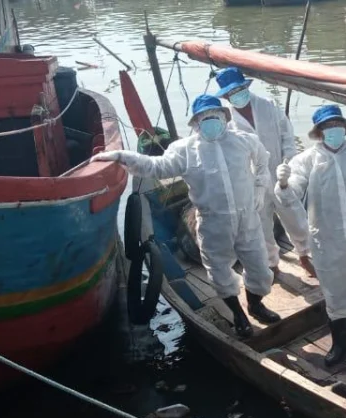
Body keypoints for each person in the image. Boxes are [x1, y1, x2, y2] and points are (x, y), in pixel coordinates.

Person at [94, 94, 280, 339]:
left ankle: (256, 304)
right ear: (195, 123)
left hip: (248, 220)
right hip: (213, 223)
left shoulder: (244, 141)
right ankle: (238, 314)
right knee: (220, 273)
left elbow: (263, 161)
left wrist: (259, 188)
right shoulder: (185, 151)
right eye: (204, 118)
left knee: (261, 270)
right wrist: (122, 157)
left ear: (224, 117)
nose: (211, 121)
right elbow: (156, 167)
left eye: (215, 116)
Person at [273, 104, 346, 367]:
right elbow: (291, 193)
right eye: (327, 126)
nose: (333, 130)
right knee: (335, 291)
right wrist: (282, 183)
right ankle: (340, 343)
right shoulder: (306, 160)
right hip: (326, 237)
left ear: (344, 126)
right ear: (319, 132)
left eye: (336, 124)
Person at [214, 67, 297, 271]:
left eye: (239, 89)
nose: (237, 95)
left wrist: (288, 161)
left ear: (246, 87)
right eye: (231, 93)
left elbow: (287, 134)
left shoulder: (267, 105)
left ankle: (304, 252)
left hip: (280, 172)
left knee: (295, 216)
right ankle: (272, 263)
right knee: (262, 225)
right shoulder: (226, 122)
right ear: (225, 96)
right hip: (252, 182)